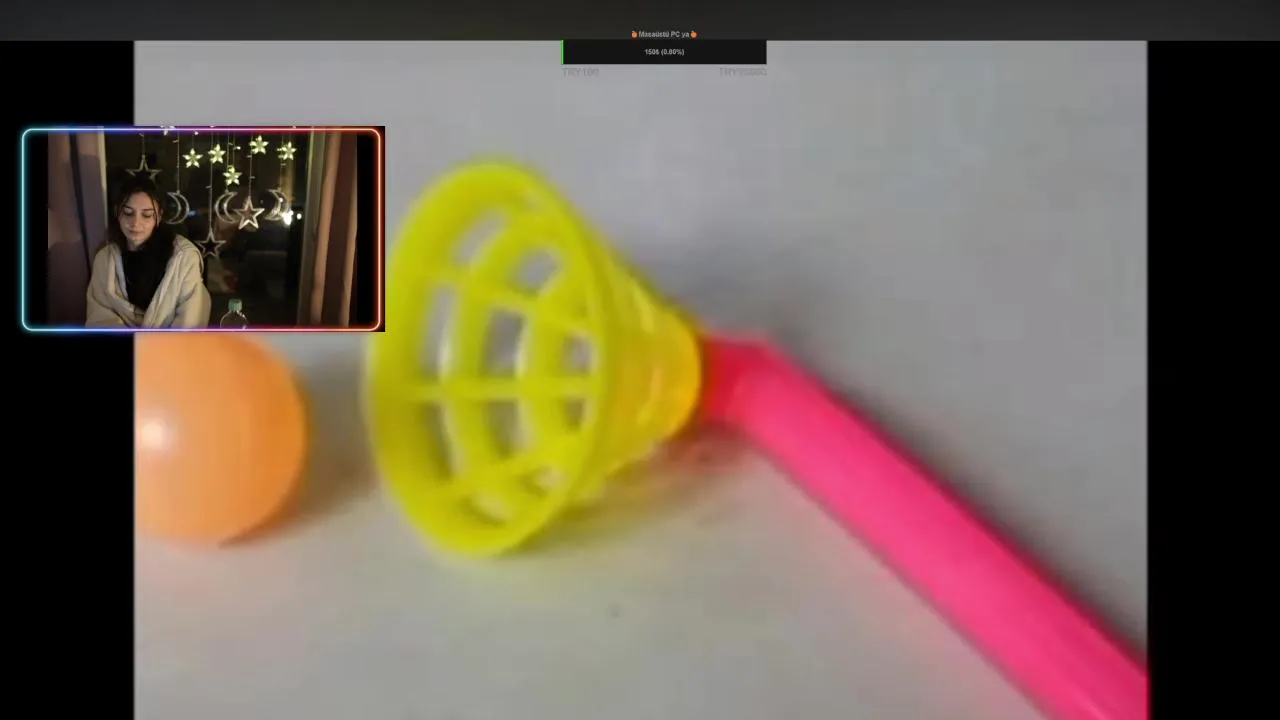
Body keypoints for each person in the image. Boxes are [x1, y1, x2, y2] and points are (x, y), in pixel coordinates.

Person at [86, 178, 211, 328]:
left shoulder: (183, 257)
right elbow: (100, 318)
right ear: (117, 213)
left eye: (146, 215)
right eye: (128, 213)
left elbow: (189, 320)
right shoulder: (105, 260)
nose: (135, 223)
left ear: (159, 216)